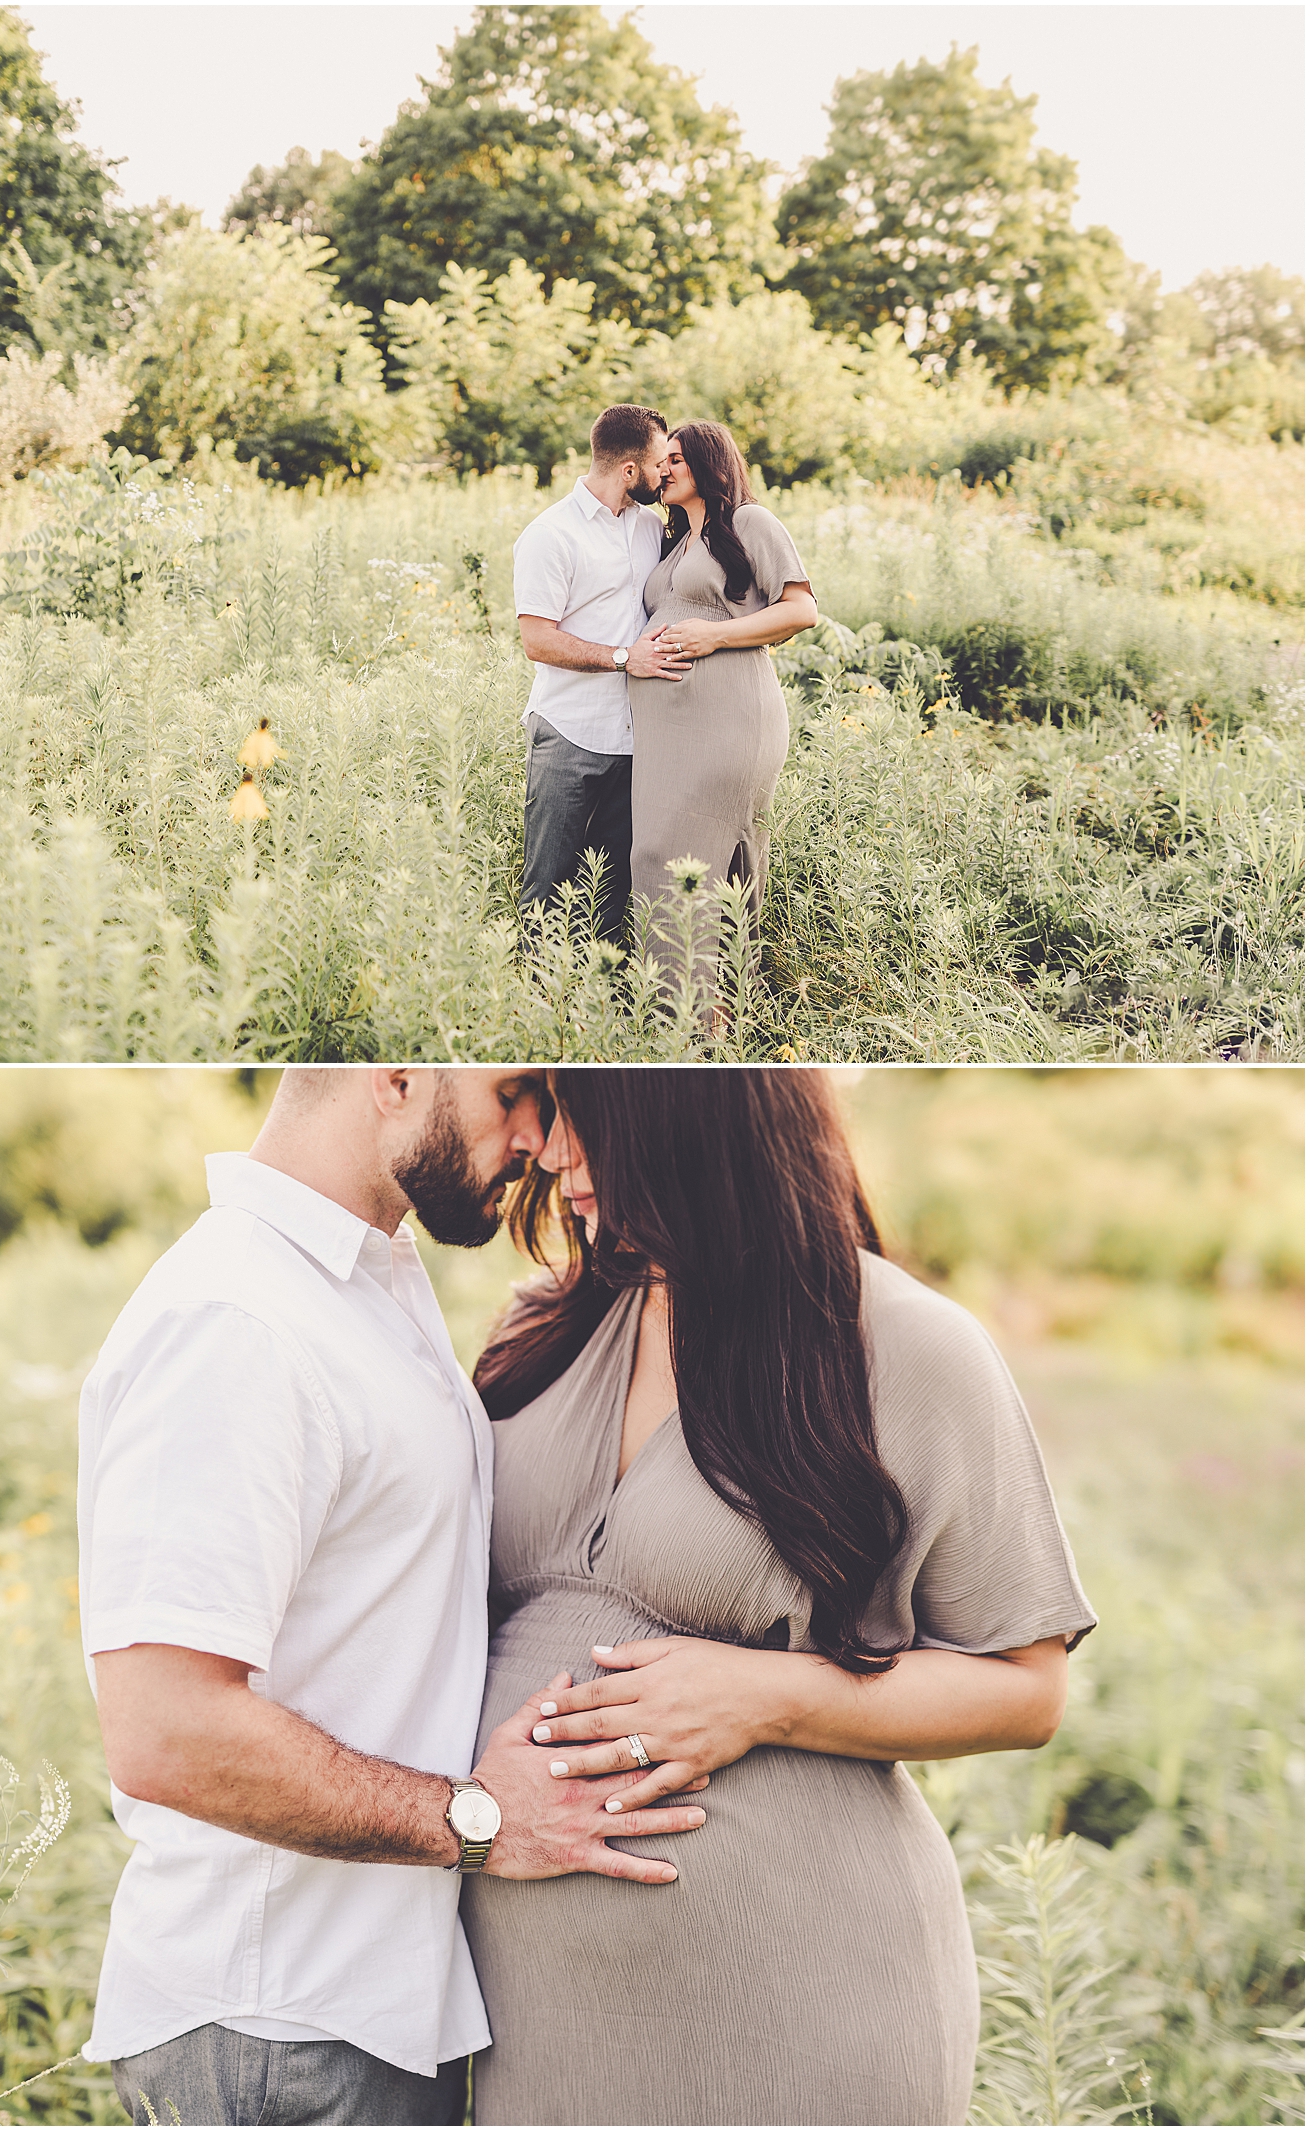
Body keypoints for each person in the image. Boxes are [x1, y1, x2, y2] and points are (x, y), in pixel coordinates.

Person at [75, 1065, 710, 2129]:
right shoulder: (238, 1319)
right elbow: (165, 1729)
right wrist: (478, 1817)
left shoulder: (358, 1282)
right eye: (513, 1092)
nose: (536, 1137)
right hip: (275, 2032)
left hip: (354, 2020)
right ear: (398, 1070)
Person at [461, 1067, 1097, 2128]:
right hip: (536, 2027)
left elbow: (1026, 1690)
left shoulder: (903, 1346)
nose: (549, 1148)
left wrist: (771, 1695)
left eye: (583, 1111)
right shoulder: (544, 1329)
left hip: (800, 2013)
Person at [627, 421, 818, 973]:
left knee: (675, 857)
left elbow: (801, 609)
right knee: (665, 858)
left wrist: (714, 634)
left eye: (677, 460)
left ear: (710, 465)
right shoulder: (678, 540)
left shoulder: (748, 522)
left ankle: (694, 1021)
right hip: (672, 737)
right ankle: (697, 1015)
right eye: (663, 460)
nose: (664, 469)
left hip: (727, 723)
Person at [512, 404, 691, 946]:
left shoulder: (649, 528)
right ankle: (534, 1009)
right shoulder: (550, 535)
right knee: (548, 886)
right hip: (570, 732)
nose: (667, 474)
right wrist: (622, 657)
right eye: (661, 463)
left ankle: (602, 1009)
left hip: (638, 737)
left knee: (615, 890)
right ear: (630, 470)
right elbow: (537, 641)